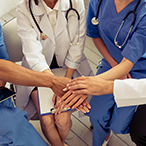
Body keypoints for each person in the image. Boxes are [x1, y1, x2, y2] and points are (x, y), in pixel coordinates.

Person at [57, 0, 146, 146]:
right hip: (111, 62)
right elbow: (95, 34)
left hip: (138, 69)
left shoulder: (143, 11)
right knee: (97, 115)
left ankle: (110, 129)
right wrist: (113, 64)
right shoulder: (98, 1)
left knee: (119, 125)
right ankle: (101, 137)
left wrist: (91, 83)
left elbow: (127, 64)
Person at [16, 0, 93, 146]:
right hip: (38, 70)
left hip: (69, 68)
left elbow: (77, 46)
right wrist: (54, 83)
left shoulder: (76, 3)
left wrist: (64, 82)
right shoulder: (24, 7)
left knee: (62, 121)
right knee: (46, 120)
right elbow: (33, 53)